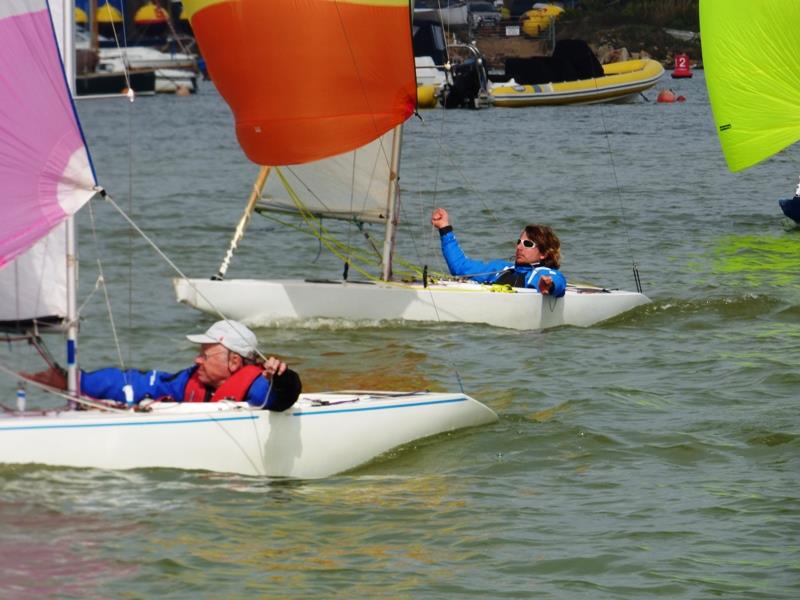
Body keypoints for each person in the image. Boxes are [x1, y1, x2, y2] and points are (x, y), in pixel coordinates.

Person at [23, 320, 301, 410]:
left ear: (234, 362)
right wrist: (74, 381)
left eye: (206, 354)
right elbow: (136, 383)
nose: (197, 359)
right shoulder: (190, 381)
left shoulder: (257, 385)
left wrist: (284, 377)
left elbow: (281, 397)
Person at [430, 207, 567, 296]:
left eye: (527, 244)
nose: (519, 247)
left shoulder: (543, 274)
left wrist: (549, 285)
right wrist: (444, 228)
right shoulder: (501, 269)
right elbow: (460, 267)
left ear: (543, 253)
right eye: (519, 242)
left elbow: (559, 281)